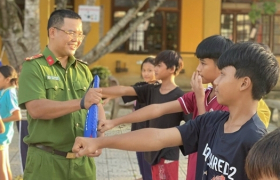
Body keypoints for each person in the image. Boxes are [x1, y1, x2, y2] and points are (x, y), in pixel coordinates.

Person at [73, 42, 280, 180]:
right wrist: (100, 142)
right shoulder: (212, 121)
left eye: (223, 75)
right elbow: (158, 137)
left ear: (244, 83)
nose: (216, 80)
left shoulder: (256, 142)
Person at [18, 9, 103, 180]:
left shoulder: (83, 69)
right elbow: (36, 109)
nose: (76, 39)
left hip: (82, 165)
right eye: (71, 32)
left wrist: (99, 137)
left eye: (80, 34)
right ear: (52, 32)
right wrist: (80, 102)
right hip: (47, 163)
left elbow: (95, 103)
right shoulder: (34, 67)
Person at [101, 50, 188, 180]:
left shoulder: (180, 97)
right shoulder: (150, 90)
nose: (155, 69)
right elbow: (124, 89)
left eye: (159, 65)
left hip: (167, 156)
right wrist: (99, 92)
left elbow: (193, 126)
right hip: (150, 151)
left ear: (171, 69)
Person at [122, 57, 157, 180]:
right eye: (144, 70)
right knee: (143, 169)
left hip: (150, 137)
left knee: (150, 172)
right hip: (138, 135)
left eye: (150, 70)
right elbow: (124, 93)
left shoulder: (158, 89)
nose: (146, 73)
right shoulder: (140, 86)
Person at [0, 65, 21, 180]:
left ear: (7, 79)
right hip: (0, 135)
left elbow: (17, 115)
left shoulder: (10, 93)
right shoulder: (3, 91)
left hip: (1, 136)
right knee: (5, 167)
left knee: (1, 170)